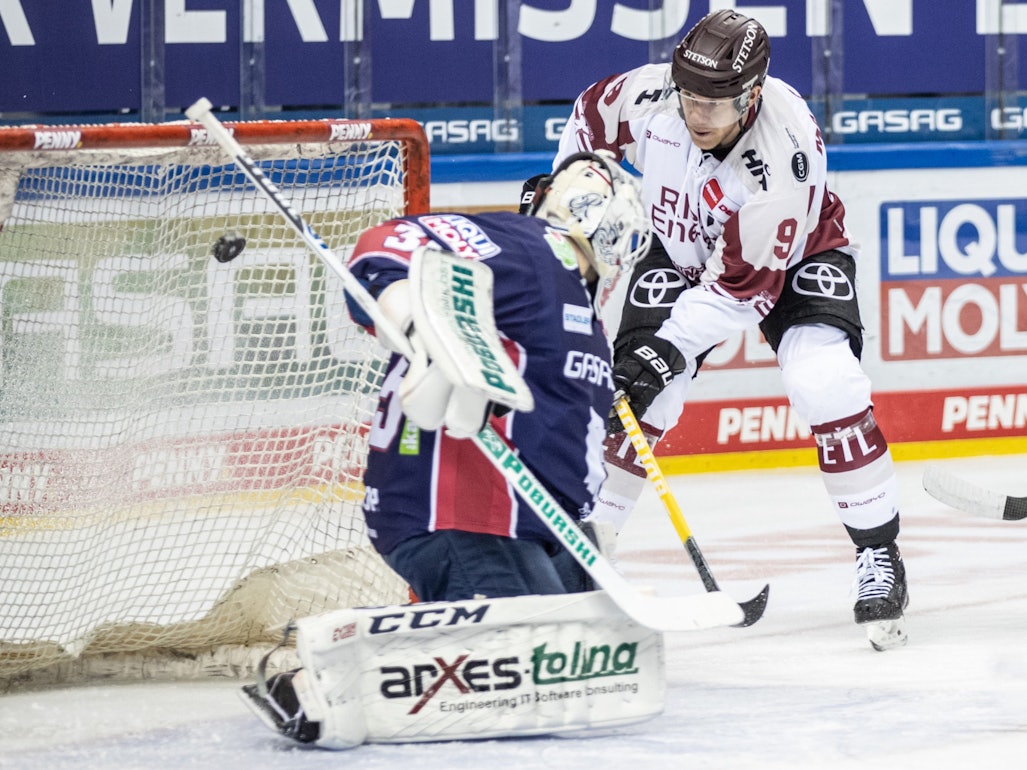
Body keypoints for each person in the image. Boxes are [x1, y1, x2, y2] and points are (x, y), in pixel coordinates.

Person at [240, 151, 656, 746]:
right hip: (464, 515)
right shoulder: (531, 246)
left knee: (595, 659)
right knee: (534, 667)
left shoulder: (573, 302)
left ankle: (425, 639)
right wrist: (414, 322)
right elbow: (386, 246)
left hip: (537, 526)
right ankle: (326, 675)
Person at [549, 9, 908, 651]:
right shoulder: (653, 94)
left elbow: (744, 289)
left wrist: (666, 349)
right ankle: (583, 558)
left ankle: (878, 553)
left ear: (752, 94)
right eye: (689, 96)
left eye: (714, 102)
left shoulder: (781, 156)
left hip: (792, 257)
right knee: (635, 397)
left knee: (823, 379)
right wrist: (569, 188)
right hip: (679, 247)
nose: (697, 113)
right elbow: (588, 120)